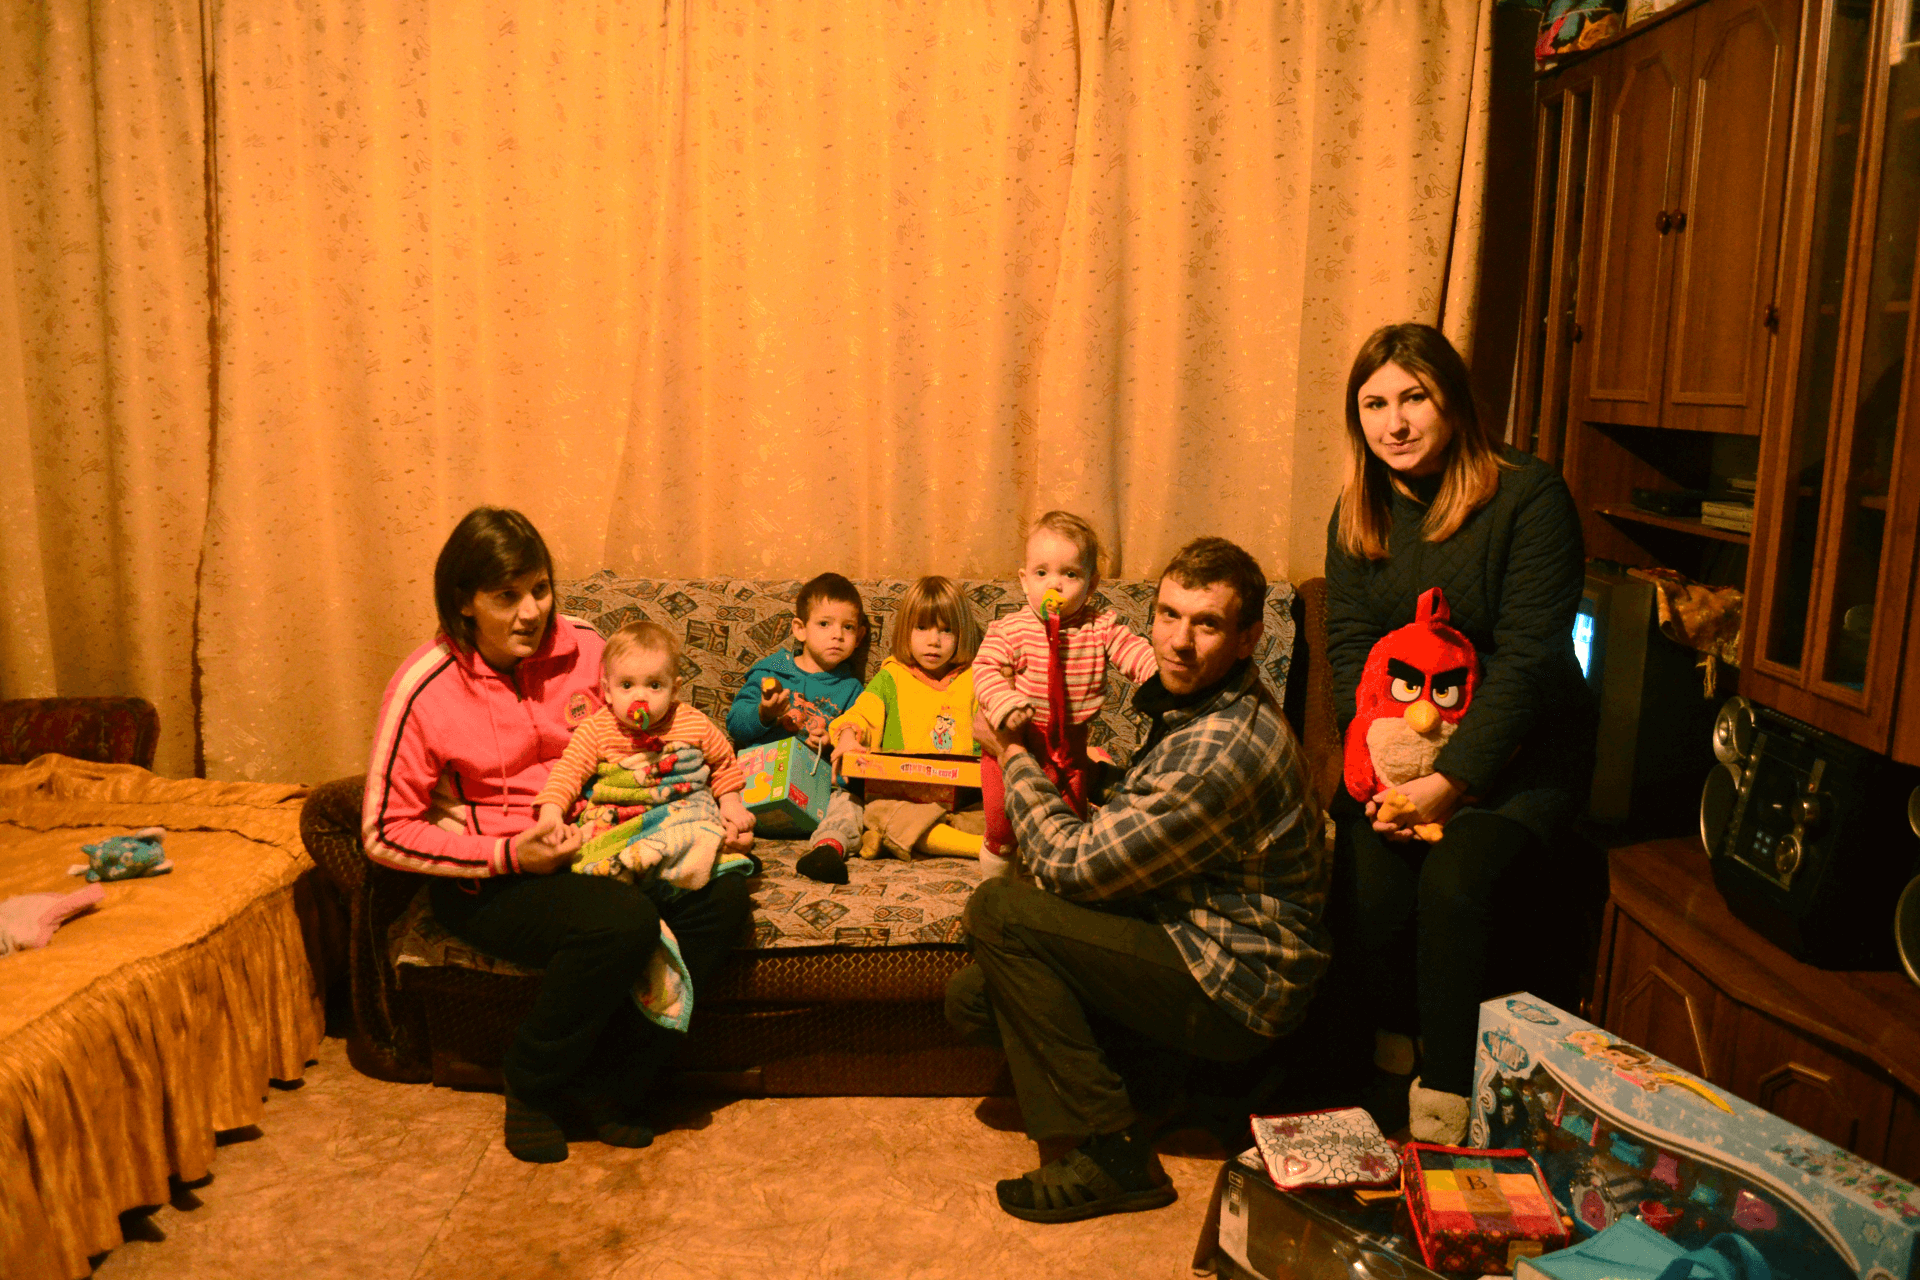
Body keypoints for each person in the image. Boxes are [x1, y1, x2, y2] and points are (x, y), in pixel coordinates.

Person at [946, 536, 1331, 1224]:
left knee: (998, 911)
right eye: (1169, 614)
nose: (1179, 641)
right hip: (1184, 935)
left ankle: (1115, 1153)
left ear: (1247, 639)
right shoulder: (1206, 704)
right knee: (974, 999)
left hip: (1232, 986)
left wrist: (1011, 754)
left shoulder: (1221, 748)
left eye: (1207, 623)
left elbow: (1070, 866)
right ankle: (1167, 1079)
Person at [363, 507, 752, 1163]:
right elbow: (382, 830)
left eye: (540, 589)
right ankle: (533, 1085)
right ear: (464, 601)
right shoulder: (424, 687)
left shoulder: (589, 650)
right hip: (490, 880)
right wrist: (506, 852)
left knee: (724, 896)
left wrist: (715, 809)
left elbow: (661, 738)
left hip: (601, 846)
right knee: (621, 922)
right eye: (506, 596)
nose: (531, 612)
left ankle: (613, 1085)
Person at [1324, 323, 1597, 1145]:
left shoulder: (1528, 496)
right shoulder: (1360, 508)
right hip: (1398, 761)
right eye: (1374, 404)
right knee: (1369, 889)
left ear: (1453, 401)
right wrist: (1380, 774)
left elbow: (1531, 661)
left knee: (1452, 886)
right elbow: (1349, 646)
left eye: (1414, 398)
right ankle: (1385, 1068)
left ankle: (1444, 1107)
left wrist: (1450, 783)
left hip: (1517, 762)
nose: (1394, 423)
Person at [972, 511, 1160, 877]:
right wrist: (1005, 703)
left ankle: (1057, 889)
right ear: (1024, 580)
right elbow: (985, 668)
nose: (1054, 585)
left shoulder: (1099, 626)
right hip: (1016, 739)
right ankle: (995, 883)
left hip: (1071, 750)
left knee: (1069, 829)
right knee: (1001, 827)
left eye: (1070, 574)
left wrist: (1158, 674)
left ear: (1091, 585)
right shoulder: (1010, 629)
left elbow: (1132, 650)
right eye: (1041, 573)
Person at [534, 619, 754, 880]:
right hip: (623, 819)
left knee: (720, 865)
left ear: (674, 689)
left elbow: (723, 763)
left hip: (682, 811)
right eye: (627, 685)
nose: (640, 697)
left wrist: (730, 803)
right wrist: (551, 813)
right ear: (608, 691)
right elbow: (569, 771)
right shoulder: (596, 729)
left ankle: (685, 867)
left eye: (654, 685)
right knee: (591, 857)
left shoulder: (694, 723)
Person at [807, 575, 986, 882]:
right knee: (878, 812)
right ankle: (978, 848)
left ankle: (928, 838)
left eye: (946, 630)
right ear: (905, 631)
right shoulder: (891, 678)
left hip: (966, 802)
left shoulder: (977, 678)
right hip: (905, 802)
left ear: (962, 634)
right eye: (922, 628)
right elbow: (860, 715)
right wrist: (848, 738)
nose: (934, 640)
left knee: (1006, 807)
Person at [726, 572, 870, 882]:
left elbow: (856, 750)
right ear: (799, 629)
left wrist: (831, 742)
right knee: (719, 790)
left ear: (859, 637)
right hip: (757, 790)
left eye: (847, 627)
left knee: (849, 803)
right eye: (824, 624)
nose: (837, 635)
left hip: (816, 802)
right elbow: (735, 724)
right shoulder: (772, 670)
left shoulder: (852, 689)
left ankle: (828, 849)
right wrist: (764, 713)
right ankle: (735, 849)